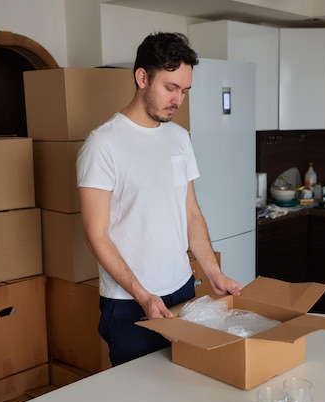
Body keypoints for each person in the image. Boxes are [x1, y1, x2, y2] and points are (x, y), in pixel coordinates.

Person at [76, 32, 242, 366]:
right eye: (170, 88)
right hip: (129, 302)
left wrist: (212, 272)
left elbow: (191, 214)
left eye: (184, 90)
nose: (179, 100)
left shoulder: (180, 139)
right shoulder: (102, 145)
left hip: (181, 289)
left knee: (185, 384)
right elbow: (96, 233)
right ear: (142, 78)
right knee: (140, 399)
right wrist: (143, 296)